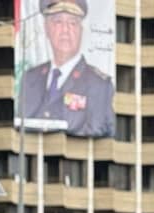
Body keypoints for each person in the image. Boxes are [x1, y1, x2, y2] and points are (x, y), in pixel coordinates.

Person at [21, 0, 115, 137]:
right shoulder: (29, 79)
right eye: (58, 22)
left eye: (72, 23)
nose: (65, 30)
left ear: (81, 31)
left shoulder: (99, 85)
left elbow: (105, 132)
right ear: (47, 28)